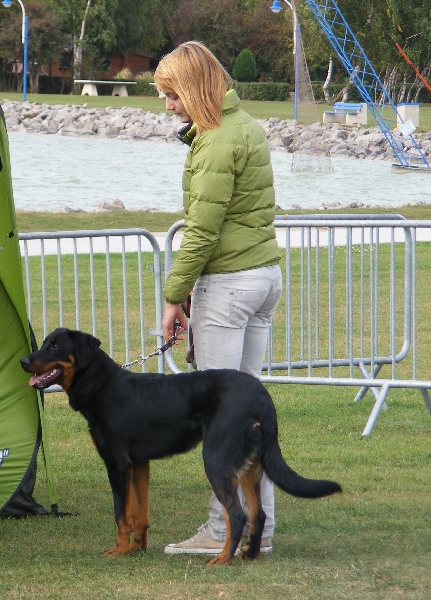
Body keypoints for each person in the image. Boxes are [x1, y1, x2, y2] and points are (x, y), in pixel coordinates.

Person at [154, 41, 283, 556]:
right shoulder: (248, 125)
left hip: (229, 287)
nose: (168, 107)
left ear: (193, 88)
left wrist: (173, 297)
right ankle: (259, 527)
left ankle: (221, 529)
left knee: (221, 417)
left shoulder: (214, 141)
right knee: (249, 414)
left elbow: (201, 235)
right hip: (263, 280)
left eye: (172, 95)